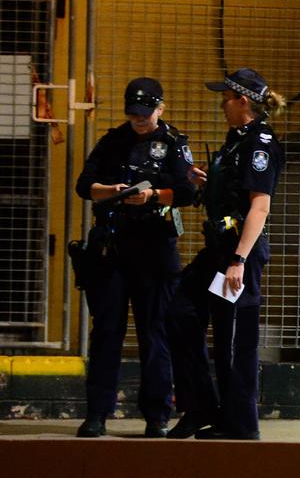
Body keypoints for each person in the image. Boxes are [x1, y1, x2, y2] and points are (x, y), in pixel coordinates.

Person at [165, 68, 286, 440]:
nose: (221, 104)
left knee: (234, 340)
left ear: (242, 101)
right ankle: (201, 407)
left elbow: (259, 207)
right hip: (217, 251)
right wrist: (208, 181)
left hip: (237, 257)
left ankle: (240, 425)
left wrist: (239, 261)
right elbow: (232, 192)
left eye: (225, 98)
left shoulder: (259, 144)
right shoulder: (236, 140)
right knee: (179, 310)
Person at [75, 77, 195, 438]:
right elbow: (84, 184)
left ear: (160, 108)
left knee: (154, 333)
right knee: (107, 331)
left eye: (145, 114)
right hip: (114, 248)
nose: (139, 120)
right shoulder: (113, 141)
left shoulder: (174, 143)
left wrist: (155, 195)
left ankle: (156, 416)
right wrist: (107, 192)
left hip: (155, 250)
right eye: (133, 114)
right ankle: (97, 414)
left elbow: (188, 192)